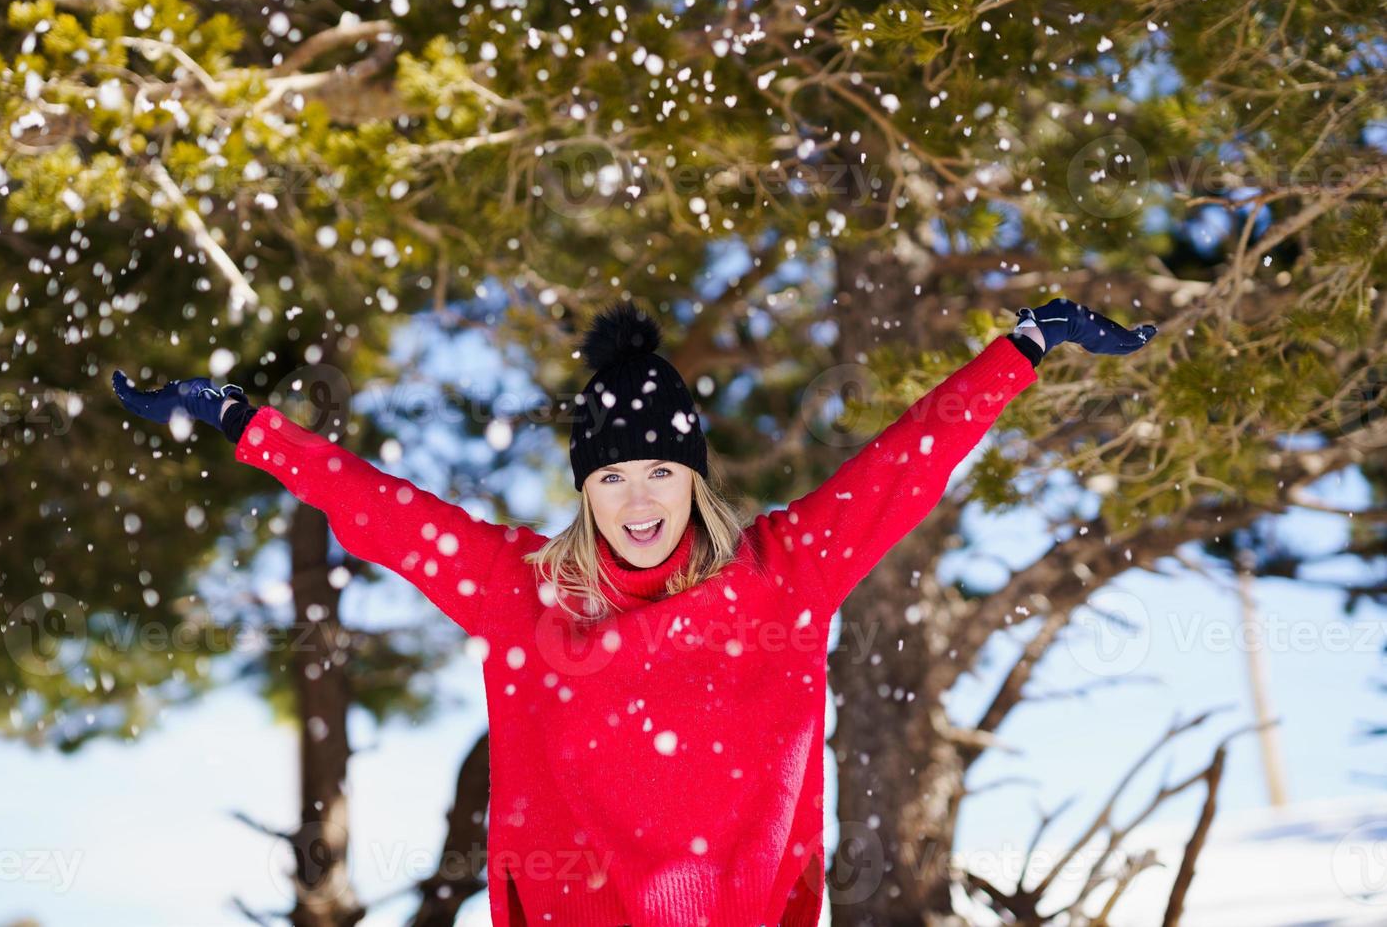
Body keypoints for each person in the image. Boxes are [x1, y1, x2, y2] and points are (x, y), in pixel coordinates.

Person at [111, 297, 1156, 927]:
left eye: (663, 471)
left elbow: (905, 464)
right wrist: (246, 423)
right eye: (615, 478)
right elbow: (382, 512)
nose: (641, 498)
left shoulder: (780, 576)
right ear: (585, 490)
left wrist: (1020, 348)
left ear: (695, 481)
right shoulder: (529, 591)